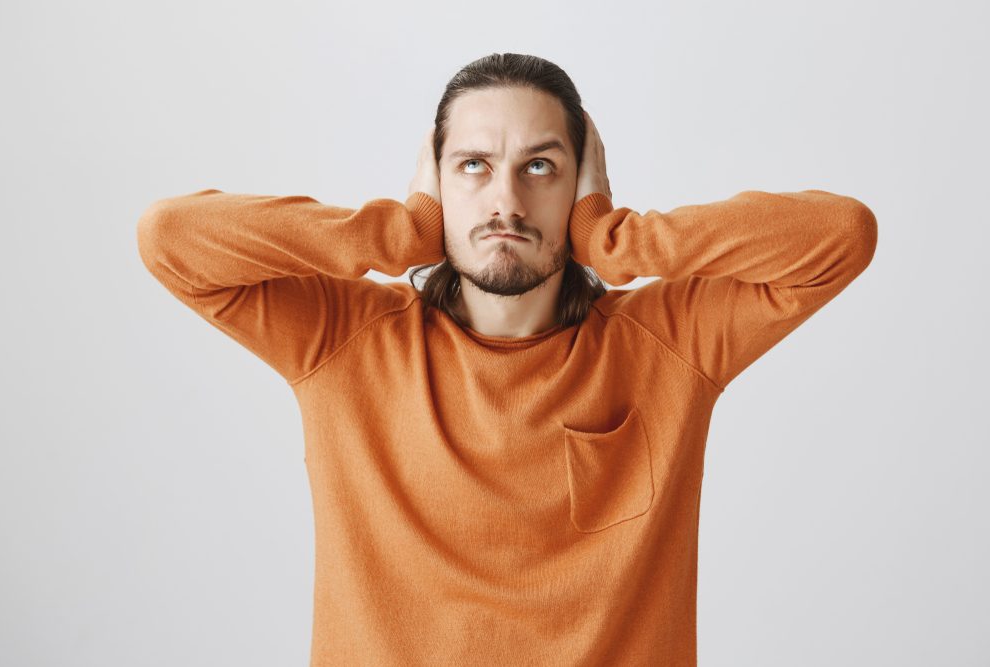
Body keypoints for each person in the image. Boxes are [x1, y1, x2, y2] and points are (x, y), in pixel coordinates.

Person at [136, 52, 877, 666]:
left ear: (582, 183)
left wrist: (618, 238)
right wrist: (400, 231)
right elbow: (171, 236)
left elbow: (842, 233)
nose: (506, 200)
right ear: (435, 178)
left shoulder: (668, 345)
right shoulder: (342, 342)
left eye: (541, 167)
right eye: (473, 165)